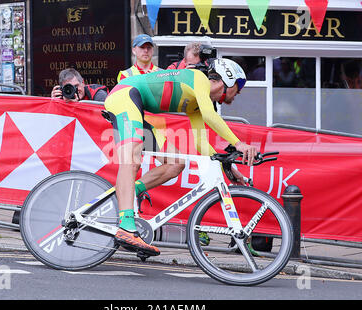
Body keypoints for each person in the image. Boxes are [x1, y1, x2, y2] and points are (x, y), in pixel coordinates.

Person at [104, 58, 257, 256]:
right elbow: (211, 116)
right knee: (132, 159)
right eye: (238, 88)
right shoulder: (198, 79)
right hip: (125, 96)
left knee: (176, 163)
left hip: (136, 106)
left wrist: (230, 169)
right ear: (227, 81)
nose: (238, 95)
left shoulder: (195, 103)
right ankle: (126, 226)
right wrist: (239, 143)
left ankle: (133, 191)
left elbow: (202, 145)